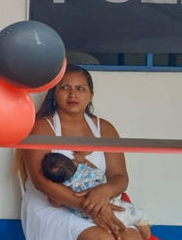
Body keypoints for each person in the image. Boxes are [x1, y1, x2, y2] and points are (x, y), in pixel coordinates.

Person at [21, 64, 144, 240]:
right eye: (64, 88)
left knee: (133, 237)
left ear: (90, 95)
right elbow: (41, 181)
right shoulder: (41, 127)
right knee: (102, 238)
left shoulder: (105, 129)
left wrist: (105, 191)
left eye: (80, 88)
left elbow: (120, 177)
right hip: (52, 207)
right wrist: (88, 207)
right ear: (54, 94)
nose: (73, 94)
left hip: (99, 204)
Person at [41, 153, 155, 240]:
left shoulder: (65, 188)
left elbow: (55, 202)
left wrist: (55, 199)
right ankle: (147, 236)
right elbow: (100, 173)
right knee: (140, 216)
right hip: (117, 207)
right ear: (73, 161)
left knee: (115, 233)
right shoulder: (87, 171)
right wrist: (84, 160)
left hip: (93, 219)